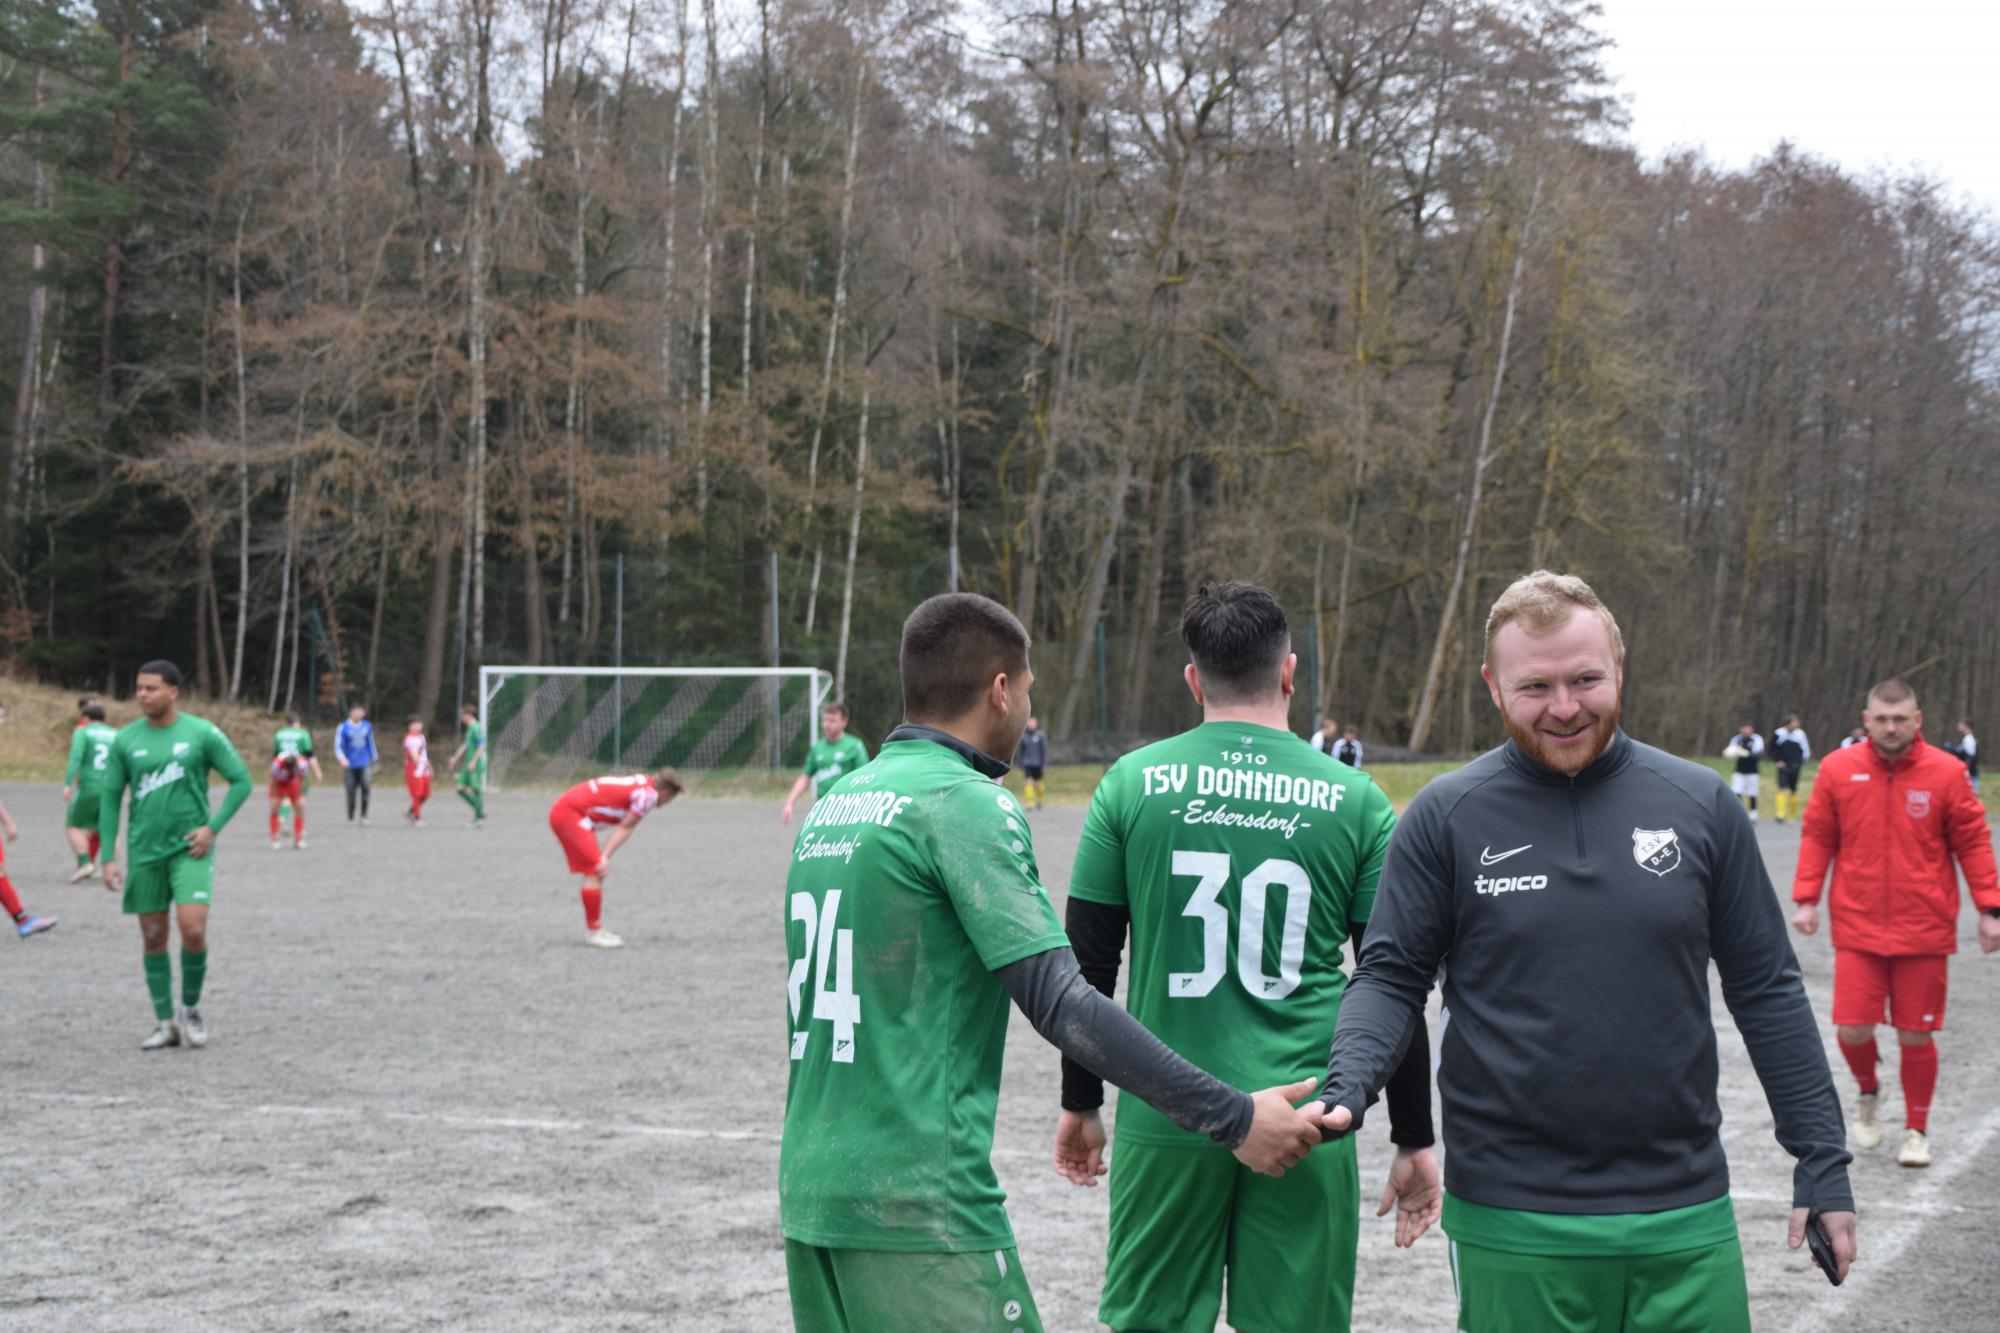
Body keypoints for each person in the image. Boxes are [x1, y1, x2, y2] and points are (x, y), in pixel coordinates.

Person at [1318, 570, 1856, 1330]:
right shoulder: (1447, 814)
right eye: (1535, 685)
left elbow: (1767, 988)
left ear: (1620, 670)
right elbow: (1390, 977)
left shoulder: (1700, 806)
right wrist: (1349, 1084)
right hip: (1513, 1218)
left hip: (1685, 1210)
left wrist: (1823, 1162)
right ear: (1493, 687)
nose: (1565, 707)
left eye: (1585, 679)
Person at [780, 593, 1325, 1332]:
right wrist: (1231, 1116)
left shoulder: (837, 804)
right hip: (917, 1203)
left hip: (812, 1195)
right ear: (1002, 689)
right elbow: (1063, 1002)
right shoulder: (963, 801)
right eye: (1029, 688)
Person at [1056, 581, 1438, 1333]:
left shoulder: (1130, 785)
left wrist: (1081, 1101)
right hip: (1310, 1117)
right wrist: (1414, 1133)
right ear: (1290, 672)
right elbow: (1392, 983)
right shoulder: (1357, 800)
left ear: (1194, 678)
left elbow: (1086, 971)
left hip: (1168, 1111)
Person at [1791, 679, 2000, 1168]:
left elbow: (1972, 840)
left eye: (1899, 719)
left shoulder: (1948, 773)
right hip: (1857, 925)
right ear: (1866, 720)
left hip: (1923, 927)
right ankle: (1869, 1091)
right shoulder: (1838, 770)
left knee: (1914, 1035)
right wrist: (1806, 899)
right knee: (1854, 1028)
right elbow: (1819, 834)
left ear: (1917, 720)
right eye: (1881, 719)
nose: (1890, 728)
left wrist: (1990, 909)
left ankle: (1916, 1129)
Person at [98, 661, 252, 1049]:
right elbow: (111, 798)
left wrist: (211, 828)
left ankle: (191, 1008)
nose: (142, 695)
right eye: (139, 688)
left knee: (193, 928)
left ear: (173, 692)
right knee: (153, 937)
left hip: (190, 849)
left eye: (151, 688)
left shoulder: (201, 733)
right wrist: (109, 856)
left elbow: (241, 781)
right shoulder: (126, 740)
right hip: (145, 852)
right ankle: (165, 1022)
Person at [547, 768, 686, 948]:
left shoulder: (646, 783)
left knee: (596, 870)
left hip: (570, 811)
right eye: (671, 798)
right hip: (570, 814)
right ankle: (594, 932)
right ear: (666, 792)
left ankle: (594, 928)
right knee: (596, 869)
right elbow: (625, 827)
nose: (668, 803)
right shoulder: (648, 796)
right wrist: (604, 856)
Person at [780, 702, 869, 824]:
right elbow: (805, 778)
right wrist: (789, 803)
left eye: (832, 721)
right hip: (823, 810)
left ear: (844, 722)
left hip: (848, 811)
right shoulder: (817, 748)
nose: (827, 725)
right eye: (825, 720)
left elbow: (865, 780)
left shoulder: (855, 746)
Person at [63, 698, 118, 881]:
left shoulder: (83, 732)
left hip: (90, 786)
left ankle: (85, 863)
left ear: (85, 717)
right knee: (107, 828)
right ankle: (112, 866)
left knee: (74, 825)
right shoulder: (115, 734)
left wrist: (68, 784)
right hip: (111, 787)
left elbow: (76, 758)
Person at [268, 711, 323, 849]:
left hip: (294, 780)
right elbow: (310, 754)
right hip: (280, 780)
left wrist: (297, 793)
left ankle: (296, 837)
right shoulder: (303, 734)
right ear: (297, 721)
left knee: (298, 804)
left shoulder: (279, 734)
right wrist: (317, 772)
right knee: (280, 804)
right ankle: (276, 837)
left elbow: (274, 753)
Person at [335, 704, 377, 825]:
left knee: (366, 788)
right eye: (356, 711)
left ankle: (364, 816)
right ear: (351, 713)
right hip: (350, 764)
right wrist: (342, 758)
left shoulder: (367, 726)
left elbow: (370, 742)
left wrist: (374, 757)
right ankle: (351, 817)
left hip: (364, 763)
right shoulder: (343, 727)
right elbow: (338, 744)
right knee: (351, 791)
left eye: (361, 712)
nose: (358, 714)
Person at [448, 704, 487, 828]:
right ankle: (479, 812)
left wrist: (474, 761)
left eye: (462, 715)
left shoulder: (476, 728)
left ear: (468, 715)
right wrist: (455, 758)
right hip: (469, 762)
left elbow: (482, 746)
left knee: (476, 789)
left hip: (475, 763)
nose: (460, 718)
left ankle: (478, 819)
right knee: (460, 789)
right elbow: (466, 745)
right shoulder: (470, 728)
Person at [1770, 713, 1811, 824]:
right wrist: (1777, 760)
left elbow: (1805, 750)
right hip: (1783, 765)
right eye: (1794, 722)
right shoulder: (1779, 733)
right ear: (1788, 724)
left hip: (1795, 765)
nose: (1796, 725)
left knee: (1793, 789)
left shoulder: (1800, 734)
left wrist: (1800, 763)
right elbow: (1771, 748)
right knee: (1781, 787)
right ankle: (1780, 814)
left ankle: (1792, 815)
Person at [1723, 721, 1765, 820]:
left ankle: (1753, 814)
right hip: (1739, 771)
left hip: (1752, 771)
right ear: (1740, 729)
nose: (1746, 730)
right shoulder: (1736, 739)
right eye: (1744, 728)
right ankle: (1739, 813)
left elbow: (1757, 753)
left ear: (1751, 729)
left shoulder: (1756, 739)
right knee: (1736, 792)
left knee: (1752, 793)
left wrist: (1743, 753)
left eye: (1748, 728)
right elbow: (1729, 753)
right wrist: (1729, 753)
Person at [403, 718, 433, 826]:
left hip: (423, 768)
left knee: (426, 793)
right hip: (414, 769)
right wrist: (421, 762)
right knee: (418, 793)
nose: (417, 726)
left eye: (419, 724)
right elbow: (413, 754)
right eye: (414, 724)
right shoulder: (409, 738)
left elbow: (423, 753)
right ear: (409, 726)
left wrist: (428, 765)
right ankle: (416, 817)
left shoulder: (421, 737)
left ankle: (411, 811)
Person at [1015, 715, 1048, 809]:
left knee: (1039, 784)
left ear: (1036, 723)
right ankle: (1030, 802)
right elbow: (1020, 752)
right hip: (1027, 763)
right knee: (1028, 782)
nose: (1031, 724)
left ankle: (1040, 799)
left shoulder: (1040, 735)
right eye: (1029, 722)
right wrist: (1020, 763)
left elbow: (1044, 751)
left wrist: (1044, 763)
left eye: (1033, 722)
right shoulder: (1024, 737)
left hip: (1038, 763)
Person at [1954, 719, 1979, 792]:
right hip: (1969, 771)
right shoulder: (1966, 738)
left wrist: (1966, 769)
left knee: (1971, 794)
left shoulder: (1969, 739)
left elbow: (1970, 756)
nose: (1959, 726)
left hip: (1970, 772)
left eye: (1961, 725)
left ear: (1967, 726)